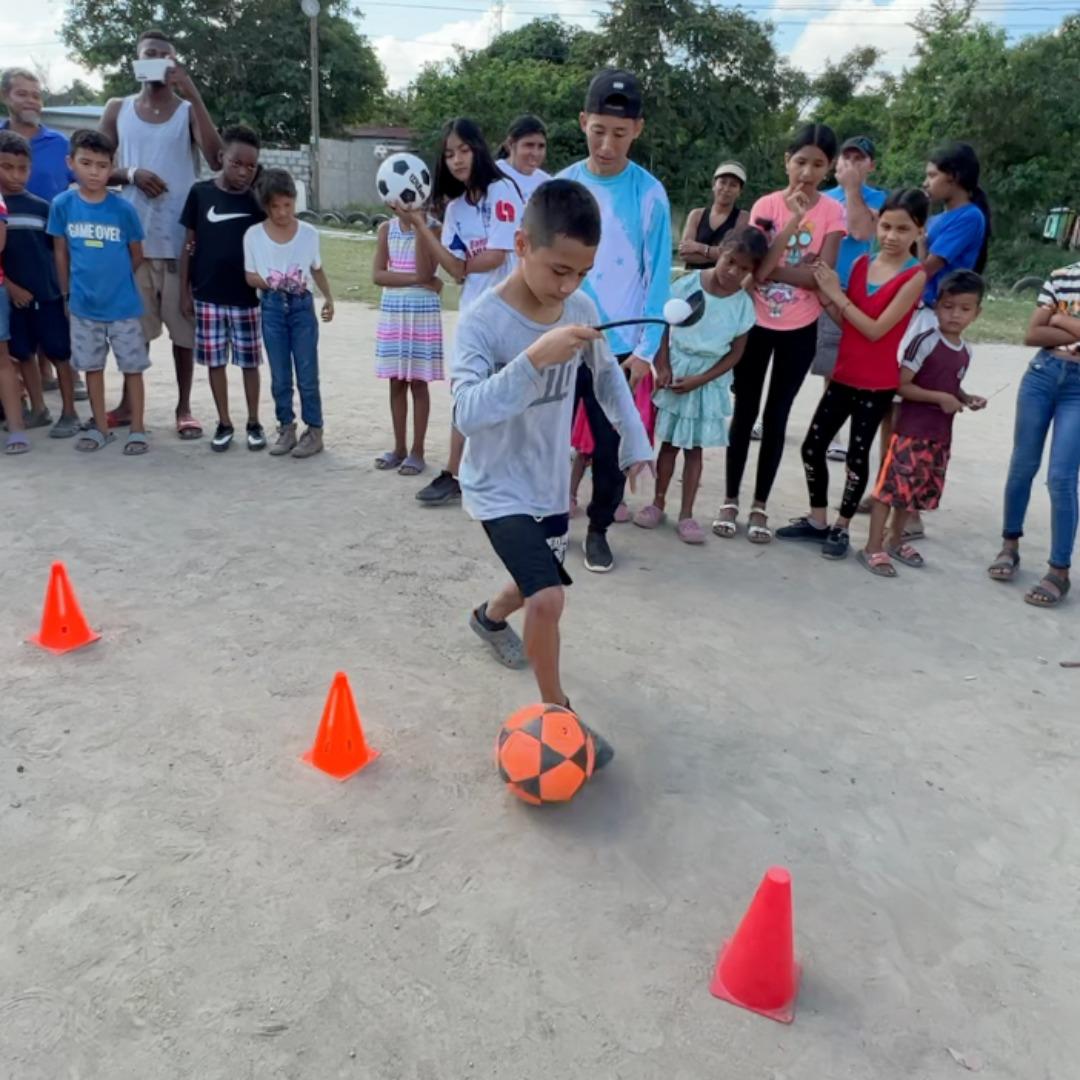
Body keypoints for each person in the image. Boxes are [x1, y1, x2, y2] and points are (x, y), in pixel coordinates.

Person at [454, 178, 653, 752]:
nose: (569, 286)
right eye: (558, 270)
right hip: (496, 486)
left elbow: (611, 379)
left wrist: (636, 445)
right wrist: (532, 360)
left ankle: (488, 618)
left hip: (546, 484)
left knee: (532, 582)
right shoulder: (482, 323)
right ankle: (559, 722)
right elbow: (466, 413)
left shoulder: (582, 307)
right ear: (521, 244)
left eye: (582, 273)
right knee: (548, 598)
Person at [558, 68, 672, 573]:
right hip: (560, 338)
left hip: (619, 348)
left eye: (620, 134)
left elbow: (658, 277)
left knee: (609, 448)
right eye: (598, 130)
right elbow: (538, 263)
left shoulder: (649, 195)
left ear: (638, 131)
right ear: (583, 121)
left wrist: (646, 350)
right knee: (545, 436)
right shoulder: (563, 187)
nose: (607, 144)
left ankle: (599, 528)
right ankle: (547, 524)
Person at [776, 189, 929, 559]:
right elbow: (848, 322)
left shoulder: (915, 277)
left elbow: (876, 330)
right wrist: (823, 293)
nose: (892, 236)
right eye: (886, 226)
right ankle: (817, 519)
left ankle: (842, 527)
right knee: (813, 446)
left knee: (857, 458)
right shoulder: (862, 264)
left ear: (919, 232)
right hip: (844, 372)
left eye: (902, 229)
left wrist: (836, 294)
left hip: (877, 382)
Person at [715, 123, 845, 544]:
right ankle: (730, 499)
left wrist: (782, 269)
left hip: (800, 330)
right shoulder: (766, 206)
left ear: (829, 168)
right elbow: (757, 267)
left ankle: (760, 507)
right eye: (800, 161)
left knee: (776, 418)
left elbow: (820, 276)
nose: (806, 172)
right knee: (745, 414)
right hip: (755, 324)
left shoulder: (833, 213)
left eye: (818, 164)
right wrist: (791, 225)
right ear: (786, 161)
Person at [99, 27, 224, 440]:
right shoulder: (118, 108)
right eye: (149, 53)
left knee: (181, 330)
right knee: (135, 329)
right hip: (132, 242)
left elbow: (216, 157)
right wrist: (132, 173)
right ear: (135, 60)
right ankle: (128, 402)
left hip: (178, 242)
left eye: (163, 55)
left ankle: (184, 407)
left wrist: (192, 91)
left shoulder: (187, 111)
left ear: (173, 62)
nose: (156, 59)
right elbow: (92, 166)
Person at [405, 118, 524, 505]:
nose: (456, 160)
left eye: (464, 150)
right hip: (474, 315)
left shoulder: (503, 191)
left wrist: (463, 264)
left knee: (507, 397)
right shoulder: (455, 209)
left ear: (479, 149)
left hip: (510, 312)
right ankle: (454, 473)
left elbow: (494, 256)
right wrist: (422, 226)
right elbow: (453, 269)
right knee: (466, 394)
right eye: (449, 153)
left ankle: (506, 476)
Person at [633, 227, 765, 543]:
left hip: (707, 382)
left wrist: (702, 380)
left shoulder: (743, 304)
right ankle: (658, 503)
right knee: (668, 445)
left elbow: (736, 352)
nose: (734, 272)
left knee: (695, 450)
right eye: (730, 261)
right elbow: (664, 325)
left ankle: (687, 515)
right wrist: (662, 364)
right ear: (720, 252)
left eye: (744, 268)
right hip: (677, 374)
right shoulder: (688, 285)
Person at [861, 270, 987, 576]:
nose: (955, 314)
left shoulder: (965, 351)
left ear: (977, 313)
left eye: (964, 309)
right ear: (937, 306)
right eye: (948, 306)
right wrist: (939, 399)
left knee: (912, 491)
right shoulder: (926, 341)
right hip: (909, 431)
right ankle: (873, 546)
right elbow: (902, 385)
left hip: (938, 435)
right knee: (889, 490)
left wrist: (966, 397)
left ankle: (895, 539)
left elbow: (950, 384)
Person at [47, 129, 150, 455]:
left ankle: (137, 429)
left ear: (112, 166)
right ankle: (101, 428)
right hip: (83, 307)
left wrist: (115, 282)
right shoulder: (62, 205)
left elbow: (137, 254)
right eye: (86, 163)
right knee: (92, 368)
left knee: (132, 368)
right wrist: (67, 295)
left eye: (102, 165)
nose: (94, 171)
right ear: (71, 163)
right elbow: (60, 253)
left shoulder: (123, 210)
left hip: (122, 308)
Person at [987, 260, 1080, 608]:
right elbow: (1032, 335)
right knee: (1022, 465)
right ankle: (1009, 545)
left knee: (1061, 477)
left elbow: (1046, 324)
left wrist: (1058, 318)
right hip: (1042, 374)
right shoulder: (1061, 275)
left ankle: (1059, 570)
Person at [179, 124, 267, 453]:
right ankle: (225, 421)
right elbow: (188, 244)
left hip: (247, 298)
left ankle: (254, 422)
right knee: (216, 362)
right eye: (236, 163)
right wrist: (185, 290)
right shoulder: (200, 194)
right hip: (208, 296)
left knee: (249, 362)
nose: (244, 171)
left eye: (251, 165)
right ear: (221, 157)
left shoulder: (258, 199)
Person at [1, 67, 84, 401]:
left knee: (55, 308)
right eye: (22, 93)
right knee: (17, 320)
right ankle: (31, 389)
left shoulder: (59, 142)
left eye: (36, 94)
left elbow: (78, 184)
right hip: (8, 243)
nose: (31, 101)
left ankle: (69, 373)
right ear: (6, 96)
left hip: (50, 239)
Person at [243, 168, 334, 458]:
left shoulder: (309, 234)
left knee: (307, 373)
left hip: (301, 308)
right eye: (275, 207)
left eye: (287, 205)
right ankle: (286, 426)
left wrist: (329, 298)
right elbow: (249, 275)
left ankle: (315, 430)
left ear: (295, 201)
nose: (282, 213)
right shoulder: (254, 235)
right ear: (266, 206)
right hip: (271, 307)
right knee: (280, 374)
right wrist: (269, 282)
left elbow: (317, 268)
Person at [0, 130, 80, 441]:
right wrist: (12, 287)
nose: (15, 175)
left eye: (22, 168)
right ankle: (38, 408)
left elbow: (58, 252)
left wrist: (63, 293)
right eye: (6, 167)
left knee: (60, 353)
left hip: (47, 295)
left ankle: (70, 411)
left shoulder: (42, 207)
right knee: (23, 354)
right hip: (12, 297)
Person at [812, 135, 886, 461]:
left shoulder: (880, 199)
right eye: (847, 158)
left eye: (859, 159)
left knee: (836, 364)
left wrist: (852, 190)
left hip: (846, 289)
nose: (852, 165)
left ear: (871, 165)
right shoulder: (821, 197)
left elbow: (860, 231)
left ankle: (832, 431)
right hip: (811, 284)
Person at [371, 201, 444, 476]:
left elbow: (428, 271)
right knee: (396, 382)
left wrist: (419, 225)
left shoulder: (433, 229)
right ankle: (399, 447)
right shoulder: (385, 230)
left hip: (422, 314)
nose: (411, 206)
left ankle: (417, 450)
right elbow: (378, 275)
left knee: (418, 383)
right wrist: (418, 279)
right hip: (394, 311)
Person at [679, 161, 750, 270]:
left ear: (740, 191)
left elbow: (735, 254)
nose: (726, 189)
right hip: (692, 281)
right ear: (714, 185)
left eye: (733, 185)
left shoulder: (743, 218)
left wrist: (699, 248)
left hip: (723, 282)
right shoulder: (696, 215)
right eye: (722, 182)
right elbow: (685, 253)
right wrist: (720, 253)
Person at [497, 115, 551, 203]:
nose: (535, 153)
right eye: (529, 145)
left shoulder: (547, 183)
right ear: (510, 144)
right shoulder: (492, 175)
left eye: (541, 146)